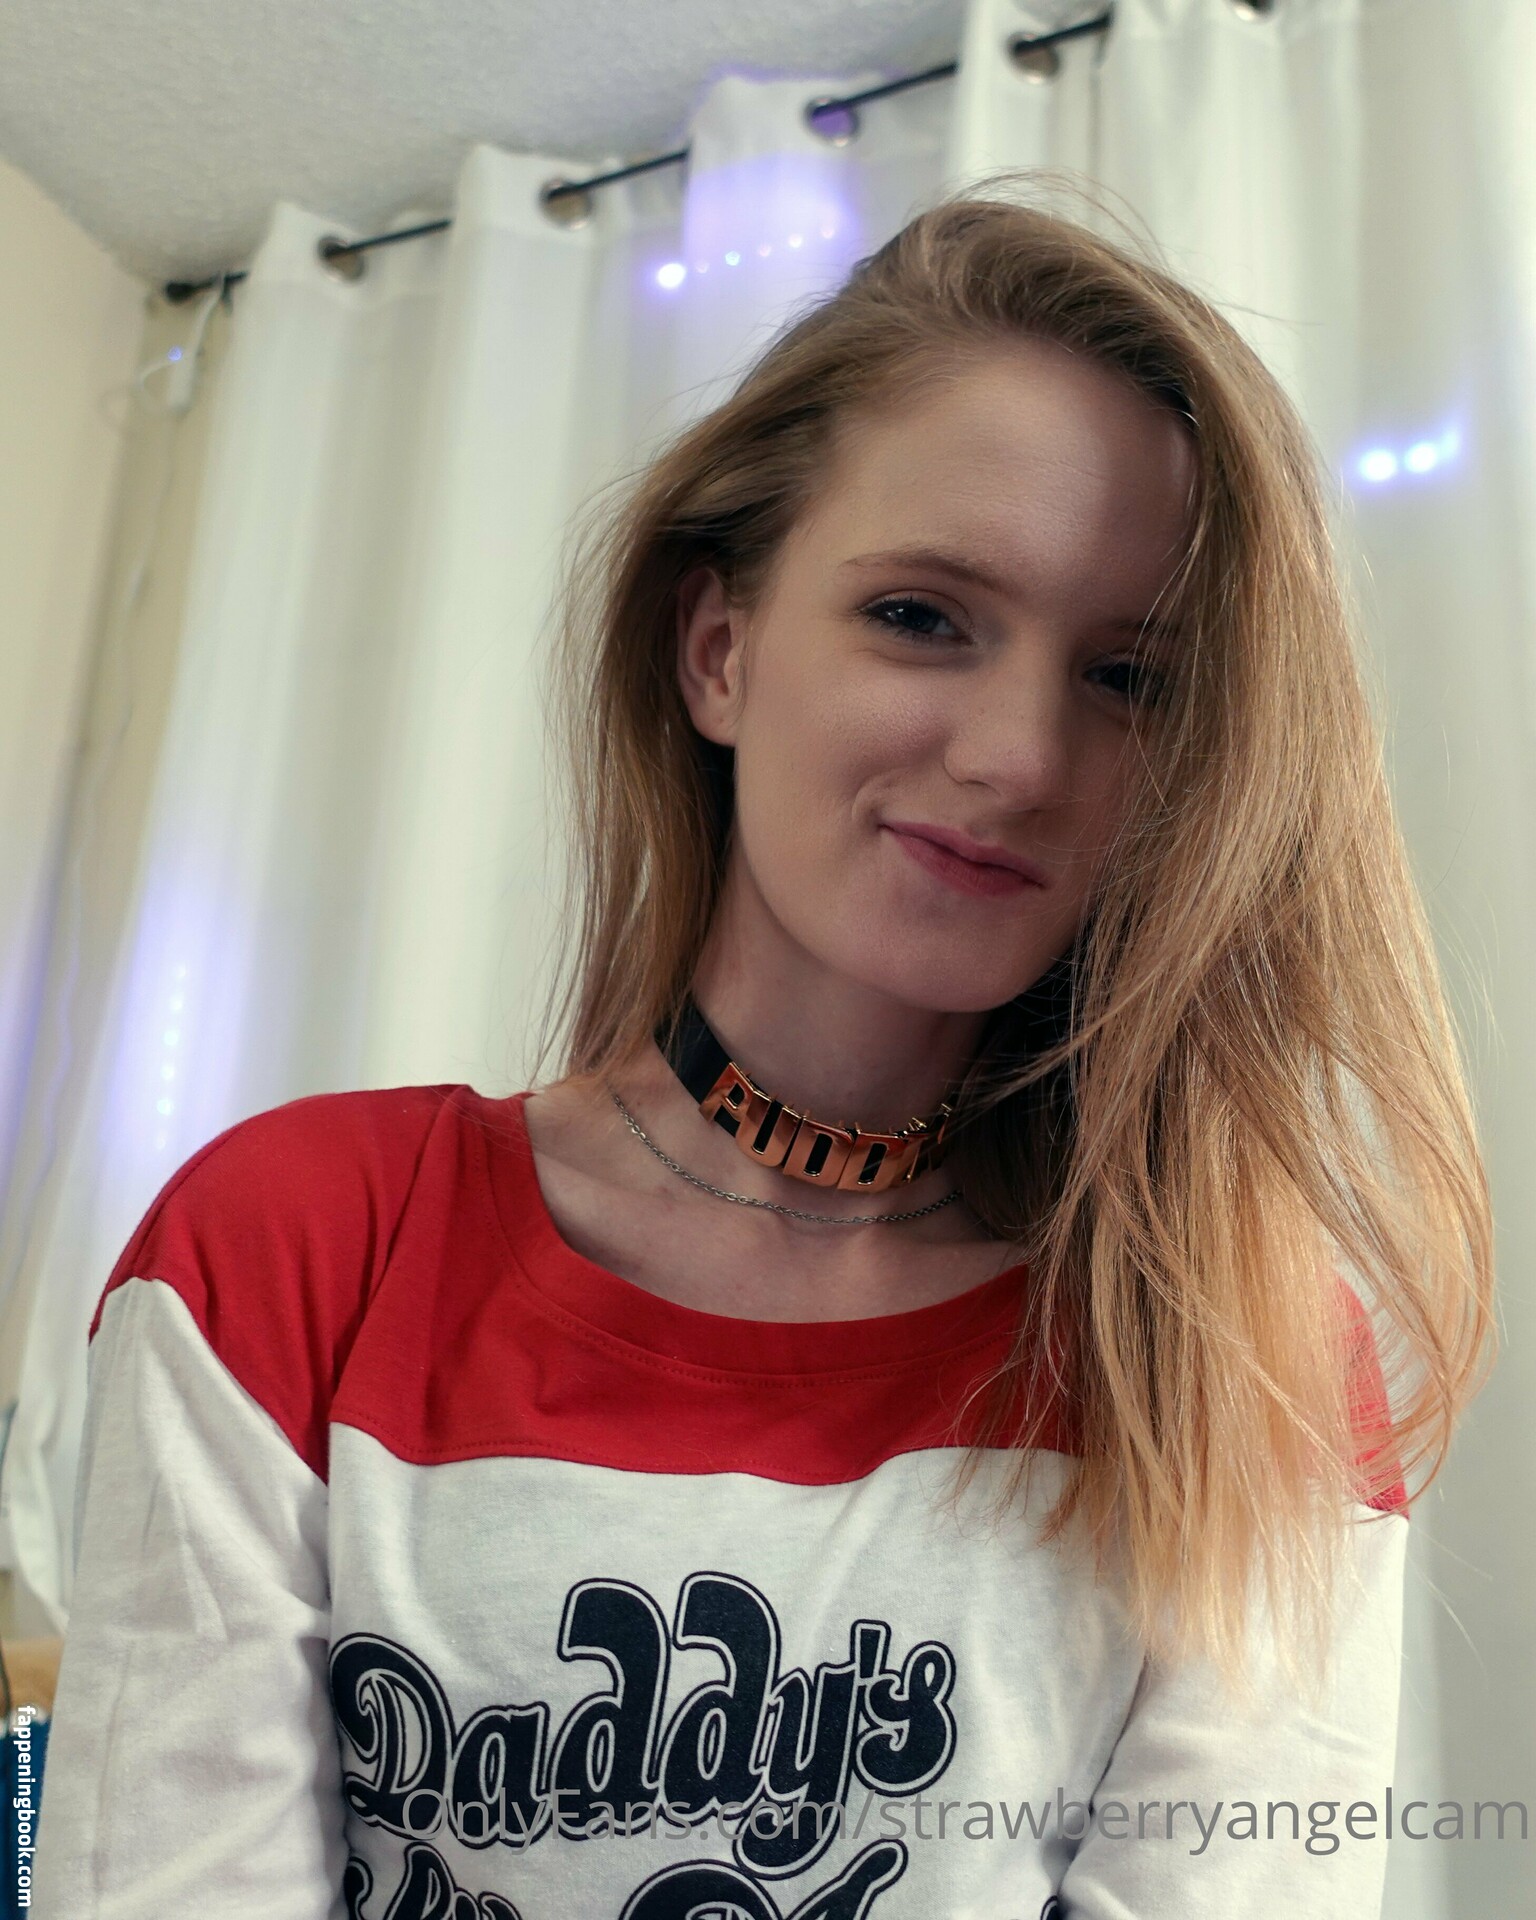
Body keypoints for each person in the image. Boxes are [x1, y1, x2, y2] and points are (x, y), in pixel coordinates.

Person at [30, 183, 1494, 1920]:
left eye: (1131, 679)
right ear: (718, 650)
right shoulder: (288, 1250)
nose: (1020, 756)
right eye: (924, 617)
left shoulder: (1249, 1361)